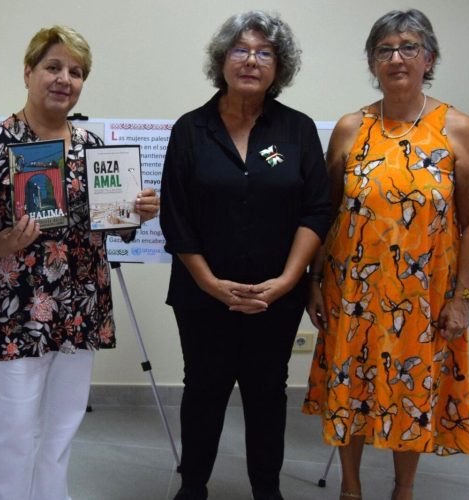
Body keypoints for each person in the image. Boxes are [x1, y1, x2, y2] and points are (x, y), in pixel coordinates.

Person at [0, 25, 159, 500]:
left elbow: (112, 224)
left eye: (76, 72)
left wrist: (138, 211)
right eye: (53, 67)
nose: (64, 79)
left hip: (81, 304)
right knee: (12, 426)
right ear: (28, 71)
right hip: (17, 308)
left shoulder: (94, 147)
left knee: (62, 425)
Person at [301, 9, 469, 500]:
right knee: (352, 390)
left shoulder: (457, 128)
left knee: (414, 391)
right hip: (353, 292)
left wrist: (463, 297)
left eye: (409, 47)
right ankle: (350, 488)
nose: (397, 58)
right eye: (384, 50)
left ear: (429, 59)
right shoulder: (350, 128)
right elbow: (328, 212)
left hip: (423, 296)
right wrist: (314, 281)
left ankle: (404, 489)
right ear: (371, 62)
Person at [160, 11, 331, 500]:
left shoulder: (297, 130)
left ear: (280, 66)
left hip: (275, 296)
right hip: (201, 294)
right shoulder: (191, 129)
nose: (251, 61)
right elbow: (176, 218)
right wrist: (212, 284)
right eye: (240, 50)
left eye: (264, 52)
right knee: (203, 391)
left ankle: (266, 489)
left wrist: (287, 280)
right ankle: (193, 485)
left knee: (266, 394)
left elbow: (317, 210)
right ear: (222, 60)